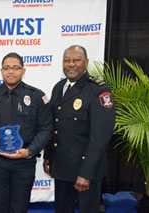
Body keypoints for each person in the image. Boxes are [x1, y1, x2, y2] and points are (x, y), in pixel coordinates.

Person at [0, 52, 53, 213]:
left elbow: (46, 128)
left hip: (24, 161)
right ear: (1, 71)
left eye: (16, 68)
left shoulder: (37, 97)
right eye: (7, 68)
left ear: (23, 71)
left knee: (20, 206)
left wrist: (30, 151)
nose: (11, 71)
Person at [43, 45, 115, 213]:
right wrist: (48, 156)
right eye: (67, 60)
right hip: (61, 168)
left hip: (85, 169)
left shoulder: (99, 90)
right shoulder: (58, 88)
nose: (71, 64)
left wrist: (86, 173)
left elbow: (100, 137)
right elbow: (54, 126)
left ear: (86, 62)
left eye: (76, 60)